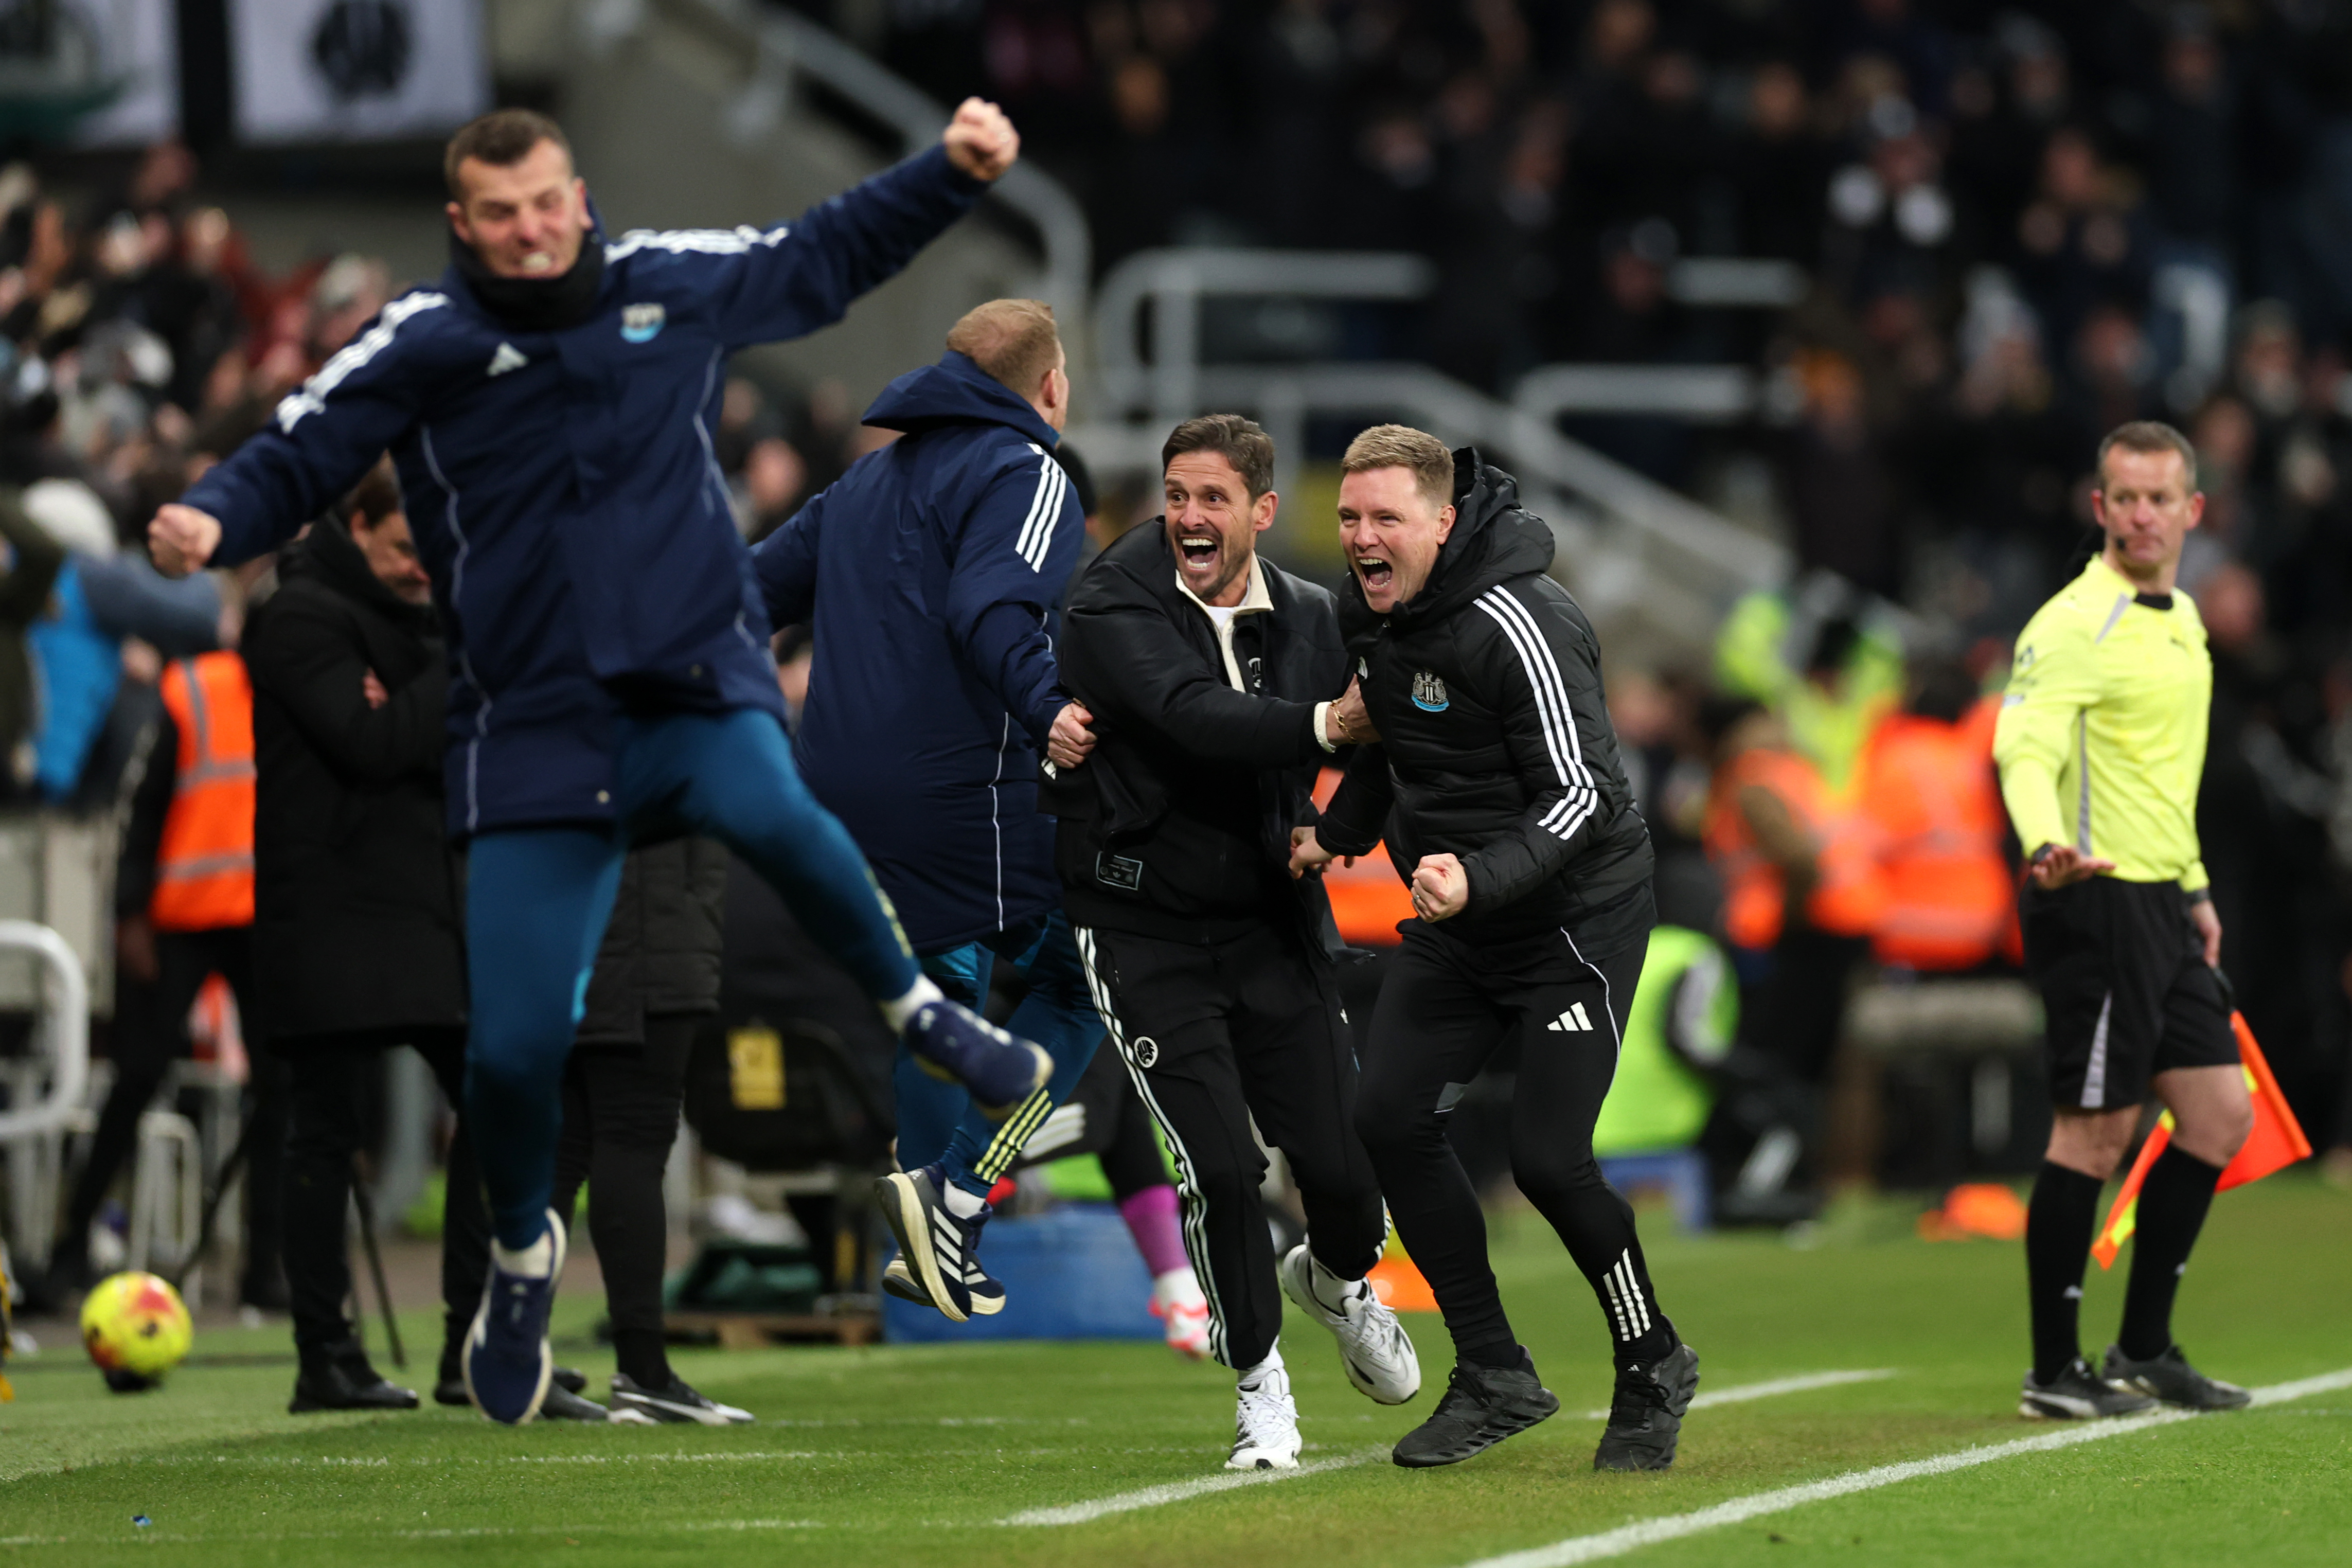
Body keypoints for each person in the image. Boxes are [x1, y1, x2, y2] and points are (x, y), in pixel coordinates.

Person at [145, 103, 1052, 1424]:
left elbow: (823, 252)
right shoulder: (428, 339)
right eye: (500, 214)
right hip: (533, 724)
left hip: (691, 672)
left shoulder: (664, 284)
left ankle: (924, 1012)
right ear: (463, 225)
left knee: (777, 814)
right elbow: (304, 448)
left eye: (548, 203)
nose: (530, 230)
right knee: (513, 1054)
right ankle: (522, 1256)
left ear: (581, 196)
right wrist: (210, 516)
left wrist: (950, 175)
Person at [1292, 425, 1697, 1472]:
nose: (1363, 539)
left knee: (1550, 1161)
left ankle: (1652, 1360)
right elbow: (1394, 743)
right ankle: (1496, 1374)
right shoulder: (1368, 614)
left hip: (1573, 917)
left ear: (1441, 519)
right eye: (1349, 519)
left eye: (1385, 519)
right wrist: (1333, 836)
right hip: (1462, 915)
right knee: (1388, 1118)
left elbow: (1588, 795)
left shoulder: (1522, 619)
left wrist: (1478, 875)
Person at [1049, 414, 1413, 1472]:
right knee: (1217, 1169)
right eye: (1176, 494)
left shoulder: (1311, 614)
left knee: (1345, 1171)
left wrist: (1342, 827)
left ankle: (1337, 1280)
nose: (1188, 518)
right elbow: (1190, 716)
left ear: (1260, 510)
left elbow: (1390, 718)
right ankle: (1261, 1391)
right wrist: (1321, 731)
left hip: (1271, 924)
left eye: (1213, 499)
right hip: (1141, 929)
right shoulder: (1113, 600)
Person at [750, 300, 1104, 1325]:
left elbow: (742, 593)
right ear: (1049, 388)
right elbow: (992, 608)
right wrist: (1049, 712)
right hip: (958, 785)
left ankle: (929, 1205)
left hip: (833, 792)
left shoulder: (863, 482)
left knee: (941, 982)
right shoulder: (1027, 473)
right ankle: (952, 1193)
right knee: (1089, 976)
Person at [1993, 420, 2253, 1419]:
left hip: (2161, 901)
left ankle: (2144, 1347)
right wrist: (2044, 841)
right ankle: (2053, 1371)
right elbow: (2022, 747)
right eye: (2125, 498)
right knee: (2096, 1135)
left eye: (2161, 499)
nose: (2142, 514)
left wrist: (2193, 887)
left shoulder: (2182, 616)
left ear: (2193, 511)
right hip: (2090, 895)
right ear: (2099, 509)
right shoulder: (2069, 624)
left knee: (2222, 1116)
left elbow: (2163, 778)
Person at [241, 462, 492, 1413]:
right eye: (401, 547)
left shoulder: (403, 621)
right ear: (357, 525)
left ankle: (469, 1337)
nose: (422, 567)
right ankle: (325, 1353)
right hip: (332, 910)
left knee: (495, 1104)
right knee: (323, 1132)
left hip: (421, 906)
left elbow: (407, 732)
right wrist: (453, 669)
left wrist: (414, 689)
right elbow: (370, 742)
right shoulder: (297, 615)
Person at [52, 646, 288, 1311]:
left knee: (280, 1090)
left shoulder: (318, 681)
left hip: (264, 918)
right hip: (178, 919)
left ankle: (264, 1272)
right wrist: (130, 915)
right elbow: (141, 804)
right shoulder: (195, 687)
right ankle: (69, 1255)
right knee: (137, 1076)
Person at [549, 838, 751, 1423]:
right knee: (631, 1138)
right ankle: (643, 1371)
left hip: (568, 921)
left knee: (562, 1145)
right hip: (648, 928)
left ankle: (516, 1355)